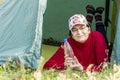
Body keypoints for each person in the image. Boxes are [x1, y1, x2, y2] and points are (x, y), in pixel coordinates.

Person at [43, 5, 108, 72]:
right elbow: (47, 66)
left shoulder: (97, 37)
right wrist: (64, 66)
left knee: (101, 32)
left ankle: (97, 19)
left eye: (82, 28)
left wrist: (82, 69)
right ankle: (91, 18)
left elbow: (104, 68)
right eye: (74, 30)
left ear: (89, 29)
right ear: (71, 34)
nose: (79, 32)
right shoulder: (68, 43)